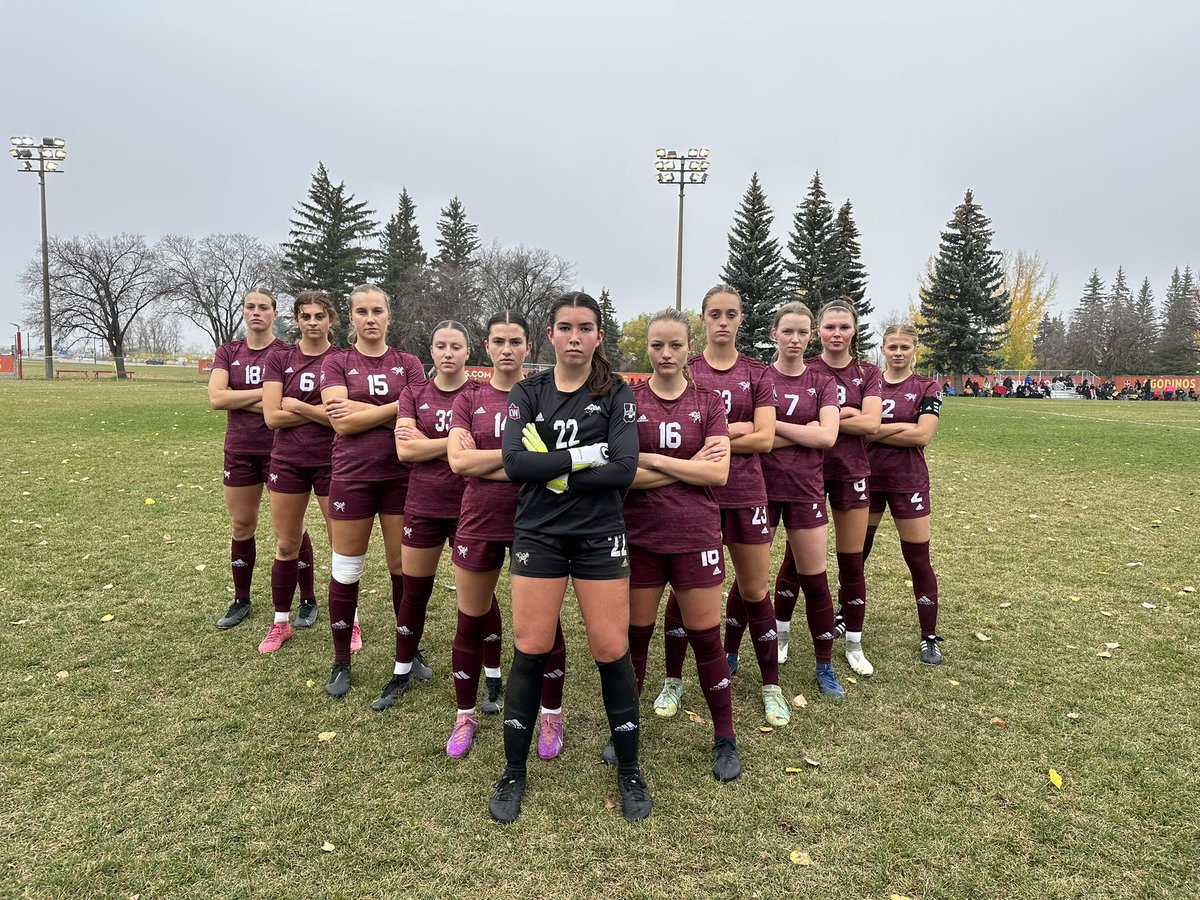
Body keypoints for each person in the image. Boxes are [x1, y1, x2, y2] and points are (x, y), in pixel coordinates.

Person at [488, 291, 648, 824]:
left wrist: (550, 467)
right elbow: (514, 464)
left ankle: (629, 769)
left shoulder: (619, 393)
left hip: (600, 533)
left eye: (585, 328)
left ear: (599, 336)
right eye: (565, 327)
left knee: (610, 647)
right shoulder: (528, 392)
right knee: (531, 645)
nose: (575, 337)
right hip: (539, 533)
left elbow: (623, 470)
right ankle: (513, 771)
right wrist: (582, 458)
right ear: (551, 335)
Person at [658, 284, 789, 728]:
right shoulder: (687, 368)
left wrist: (717, 436)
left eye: (731, 314)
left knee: (754, 590)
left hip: (747, 493)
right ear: (703, 319)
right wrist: (739, 429)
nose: (723, 322)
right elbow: (686, 433)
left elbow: (766, 439)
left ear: (741, 319)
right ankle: (672, 680)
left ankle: (771, 685)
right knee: (682, 591)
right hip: (695, 498)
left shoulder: (756, 372)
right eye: (715, 314)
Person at [445, 311, 569, 759]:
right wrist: (519, 463)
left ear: (529, 347)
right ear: (486, 345)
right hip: (478, 520)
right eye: (498, 341)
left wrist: (494, 461)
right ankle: (465, 716)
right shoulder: (470, 397)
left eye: (515, 341)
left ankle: (551, 715)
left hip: (536, 523)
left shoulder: (548, 398)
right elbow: (459, 462)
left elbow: (556, 463)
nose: (507, 349)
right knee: (470, 619)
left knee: (542, 625)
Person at [624, 309, 739, 781]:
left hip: (696, 535)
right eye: (656, 345)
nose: (665, 354)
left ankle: (725, 736)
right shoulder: (627, 401)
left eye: (674, 345)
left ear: (689, 347)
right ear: (647, 348)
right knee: (635, 638)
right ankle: (624, 731)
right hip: (640, 537)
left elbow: (718, 472)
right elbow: (622, 475)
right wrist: (683, 462)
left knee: (706, 637)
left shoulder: (710, 402)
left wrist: (652, 459)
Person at [319, 284, 426, 698]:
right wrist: (399, 408)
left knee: (404, 567)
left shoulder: (409, 362)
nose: (370, 318)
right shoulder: (337, 361)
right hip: (352, 476)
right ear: (351, 318)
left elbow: (419, 420)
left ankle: (409, 652)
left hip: (402, 476)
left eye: (377, 310)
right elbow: (340, 422)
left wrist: (369, 411)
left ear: (389, 316)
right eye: (361, 311)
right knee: (347, 568)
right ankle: (341, 659)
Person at [367, 321, 474, 711]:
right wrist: (453, 445)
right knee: (414, 591)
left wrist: (428, 443)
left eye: (456, 347)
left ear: (468, 352)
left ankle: (488, 675)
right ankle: (402, 669)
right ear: (430, 351)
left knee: (476, 597)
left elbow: (468, 450)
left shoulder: (477, 395)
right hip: (422, 505)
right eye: (441, 346)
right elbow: (405, 452)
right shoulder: (414, 392)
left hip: (469, 509)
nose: (448, 353)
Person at [759, 303, 845, 699]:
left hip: (807, 490)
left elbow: (828, 437)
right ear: (774, 333)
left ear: (811, 336)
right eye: (787, 332)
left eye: (802, 333)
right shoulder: (759, 377)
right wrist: (801, 430)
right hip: (760, 489)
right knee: (751, 582)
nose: (795, 340)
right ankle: (730, 654)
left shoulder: (822, 381)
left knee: (816, 580)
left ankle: (824, 665)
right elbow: (756, 439)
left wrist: (775, 427)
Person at [802, 298, 882, 675]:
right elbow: (796, 419)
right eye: (829, 327)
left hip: (852, 471)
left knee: (852, 563)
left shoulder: (868, 372)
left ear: (855, 330)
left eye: (844, 327)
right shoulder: (804, 368)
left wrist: (830, 419)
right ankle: (782, 636)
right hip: (808, 473)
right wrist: (850, 413)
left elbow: (872, 425)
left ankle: (853, 642)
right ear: (818, 330)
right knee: (798, 562)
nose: (836, 333)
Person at [258, 291, 338, 651]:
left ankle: (348, 621)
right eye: (305, 316)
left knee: (342, 547)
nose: (312, 322)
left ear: (330, 320)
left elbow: (342, 420)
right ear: (296, 320)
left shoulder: (341, 360)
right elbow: (272, 416)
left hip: (333, 462)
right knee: (287, 543)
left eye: (319, 316)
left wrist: (298, 406)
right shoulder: (281, 357)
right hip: (287, 461)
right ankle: (280, 623)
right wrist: (316, 409)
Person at [864, 324, 945, 664]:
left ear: (915, 350)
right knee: (856, 555)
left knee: (917, 558)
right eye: (892, 346)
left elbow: (923, 436)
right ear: (882, 348)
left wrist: (875, 430)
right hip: (865, 478)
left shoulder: (927, 386)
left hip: (908, 481)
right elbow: (853, 428)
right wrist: (902, 427)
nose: (898, 352)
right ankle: (843, 616)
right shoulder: (868, 382)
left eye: (905, 347)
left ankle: (928, 635)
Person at [208, 288, 284, 629]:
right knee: (242, 525)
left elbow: (288, 401)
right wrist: (269, 395)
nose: (257, 312)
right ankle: (241, 599)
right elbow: (216, 398)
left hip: (281, 450)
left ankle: (308, 599)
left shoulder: (285, 353)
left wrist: (235, 397)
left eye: (264, 307)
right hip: (239, 449)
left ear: (275, 313)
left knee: (289, 529)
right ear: (242, 312)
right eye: (250, 307)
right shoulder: (228, 352)